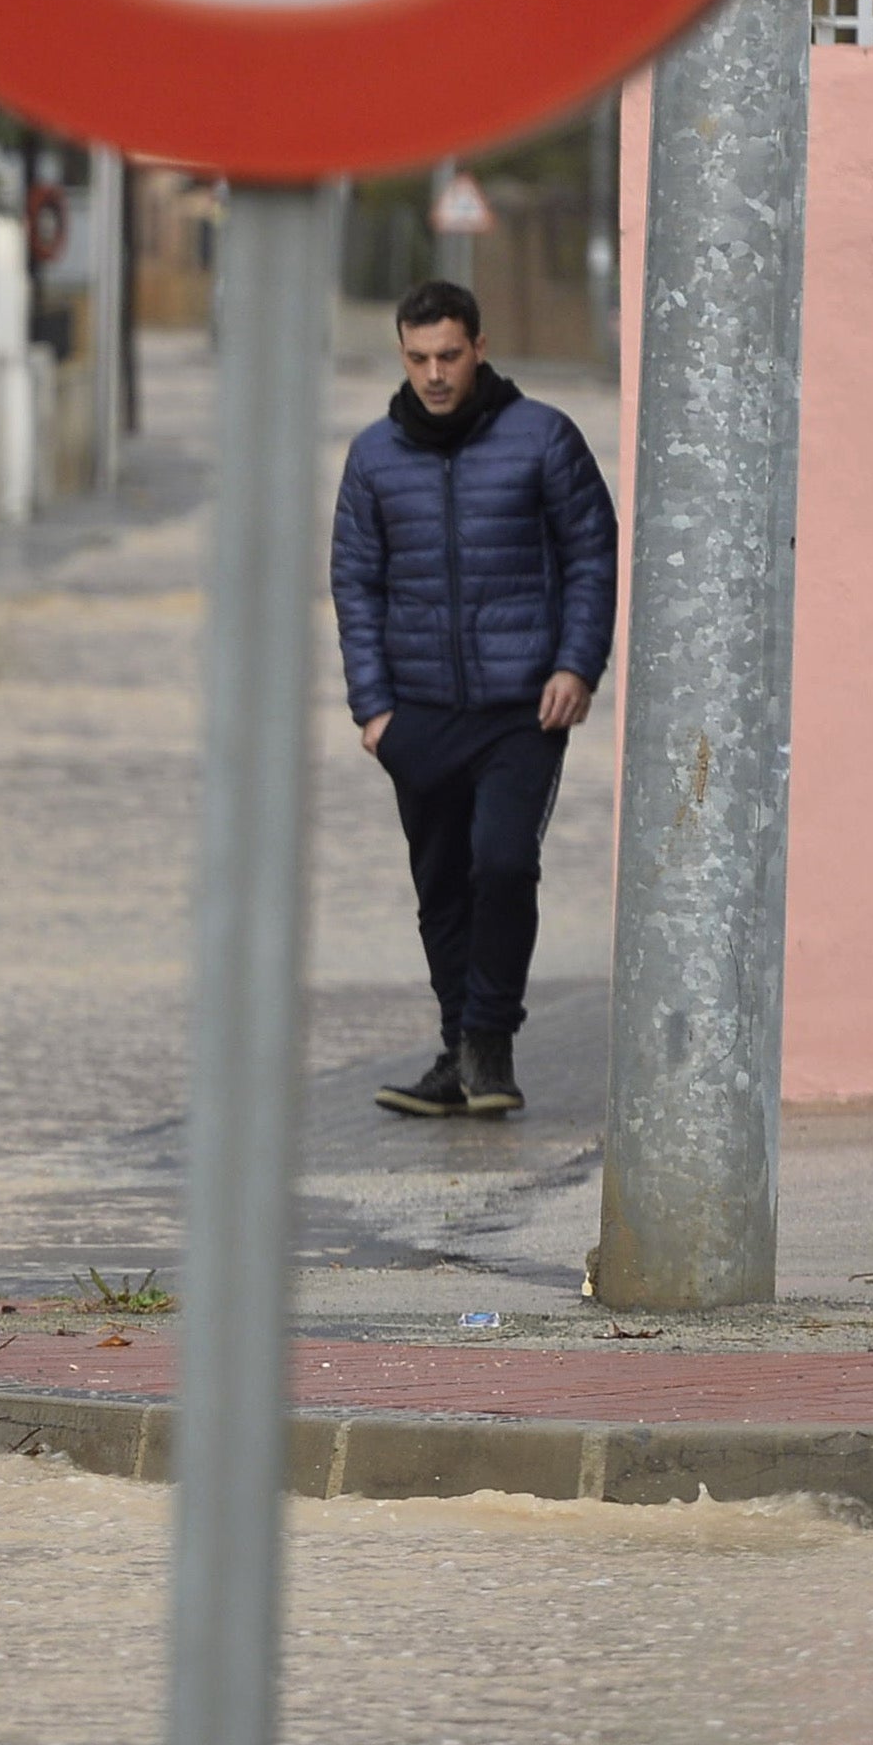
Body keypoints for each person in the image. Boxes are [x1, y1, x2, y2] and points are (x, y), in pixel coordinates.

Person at [330, 277, 616, 1120]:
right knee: (440, 886)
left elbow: (591, 556)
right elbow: (354, 583)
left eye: (448, 355)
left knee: (501, 861)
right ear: (401, 356)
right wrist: (373, 711)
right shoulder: (373, 456)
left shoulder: (543, 440)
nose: (434, 374)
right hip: (415, 714)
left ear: (479, 349)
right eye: (418, 358)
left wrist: (576, 666)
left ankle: (490, 1041)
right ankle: (457, 1053)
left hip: (521, 709)